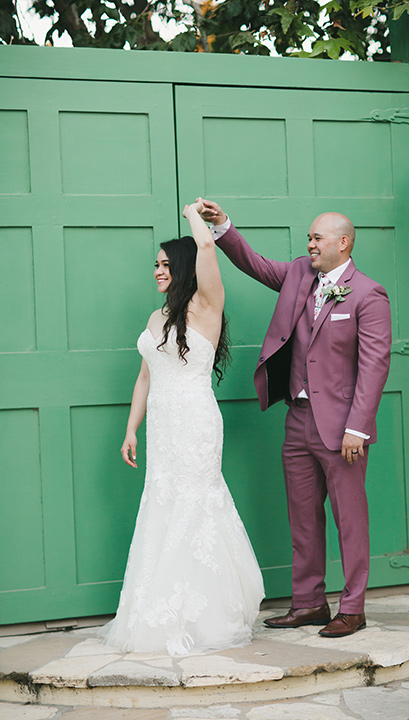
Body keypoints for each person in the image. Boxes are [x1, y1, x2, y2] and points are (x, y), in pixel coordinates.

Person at [199, 199, 391, 638]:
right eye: (308, 238)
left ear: (343, 243)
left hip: (343, 430)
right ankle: (308, 603)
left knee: (350, 518)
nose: (309, 245)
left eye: (316, 238)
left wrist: (357, 428)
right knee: (303, 516)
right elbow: (255, 264)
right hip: (298, 419)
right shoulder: (299, 275)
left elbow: (374, 366)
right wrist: (223, 226)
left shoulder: (368, 294)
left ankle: (353, 607)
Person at [100, 200, 264, 656]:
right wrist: (132, 429)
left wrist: (195, 213)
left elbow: (208, 247)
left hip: (194, 421)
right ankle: (157, 609)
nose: (157, 271)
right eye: (155, 264)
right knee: (163, 504)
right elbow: (146, 376)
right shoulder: (157, 318)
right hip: (162, 427)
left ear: (185, 267)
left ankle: (203, 615)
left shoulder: (207, 307)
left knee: (195, 505)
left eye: (166, 264)